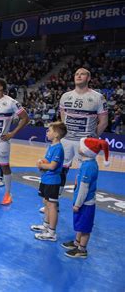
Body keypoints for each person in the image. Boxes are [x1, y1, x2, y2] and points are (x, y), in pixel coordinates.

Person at [55, 68, 108, 213]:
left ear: (89, 78)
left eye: (82, 74)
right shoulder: (65, 96)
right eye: (76, 74)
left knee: (84, 174)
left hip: (84, 143)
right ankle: (54, 202)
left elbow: (103, 121)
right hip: (67, 140)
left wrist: (92, 138)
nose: (78, 76)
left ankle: (79, 203)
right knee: (60, 171)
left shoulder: (98, 97)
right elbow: (63, 117)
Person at [61, 138, 110, 258]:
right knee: (80, 225)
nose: (78, 147)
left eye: (81, 146)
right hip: (83, 201)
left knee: (85, 227)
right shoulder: (87, 162)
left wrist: (77, 204)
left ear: (86, 150)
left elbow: (84, 188)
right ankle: (76, 243)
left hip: (85, 202)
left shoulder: (89, 166)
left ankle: (82, 250)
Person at [31, 122, 67, 241]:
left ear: (56, 134)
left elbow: (52, 166)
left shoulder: (58, 148)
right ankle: (46, 226)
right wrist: (41, 162)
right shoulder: (51, 146)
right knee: (46, 202)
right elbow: (47, 160)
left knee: (52, 205)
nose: (47, 132)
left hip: (53, 181)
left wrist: (41, 165)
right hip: (46, 179)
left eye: (49, 130)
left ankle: (52, 233)